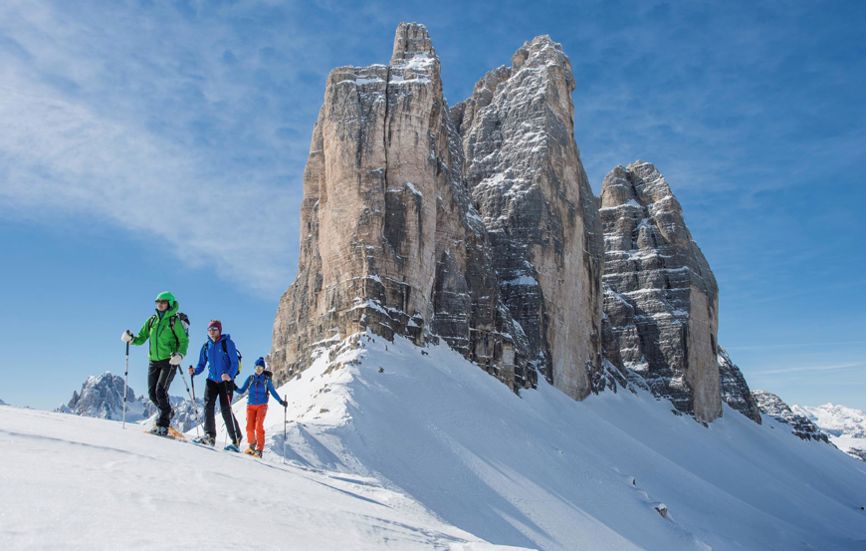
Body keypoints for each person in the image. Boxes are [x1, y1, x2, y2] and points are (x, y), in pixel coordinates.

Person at [121, 291, 189, 436]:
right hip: (153, 361)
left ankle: (163, 425)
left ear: (169, 304)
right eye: (157, 302)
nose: (160, 304)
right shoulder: (152, 320)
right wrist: (131, 339)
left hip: (169, 361)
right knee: (152, 394)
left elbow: (183, 341)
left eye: (163, 302)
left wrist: (180, 355)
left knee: (160, 390)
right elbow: (142, 337)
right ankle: (167, 412)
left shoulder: (174, 321)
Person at [189, 320, 242, 451]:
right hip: (211, 380)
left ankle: (236, 439)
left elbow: (234, 363)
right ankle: (210, 436)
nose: (212, 332)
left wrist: (229, 375)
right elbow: (201, 364)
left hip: (226, 381)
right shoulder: (206, 346)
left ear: (219, 330)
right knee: (208, 406)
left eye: (214, 329)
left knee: (225, 409)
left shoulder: (227, 343)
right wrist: (195, 371)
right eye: (210, 330)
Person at [234, 357, 286, 457]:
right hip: (250, 406)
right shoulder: (250, 379)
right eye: (257, 367)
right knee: (249, 427)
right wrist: (233, 386)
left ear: (263, 369)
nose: (258, 370)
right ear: (254, 368)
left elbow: (273, 392)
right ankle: (252, 445)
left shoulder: (266, 380)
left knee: (258, 426)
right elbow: (241, 391)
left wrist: (281, 401)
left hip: (262, 406)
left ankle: (259, 450)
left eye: (261, 368)